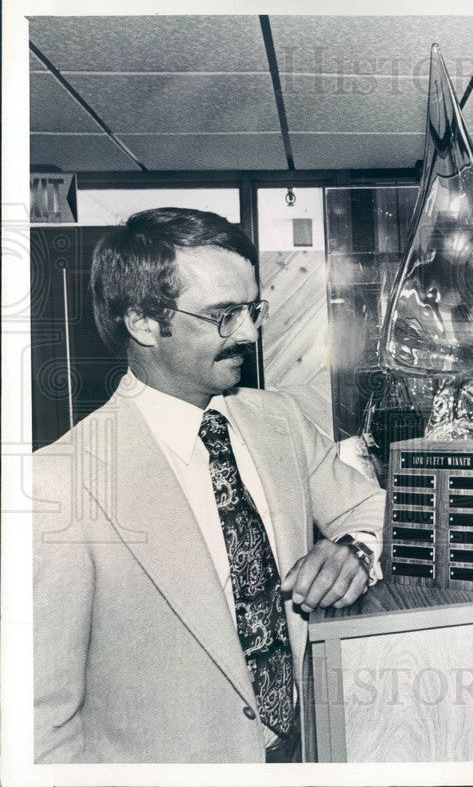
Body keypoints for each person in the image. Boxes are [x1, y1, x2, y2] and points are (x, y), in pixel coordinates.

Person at [33, 208, 385, 763]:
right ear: (144, 322)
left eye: (251, 310)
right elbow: (40, 724)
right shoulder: (60, 483)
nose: (248, 333)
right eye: (223, 315)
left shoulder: (280, 420)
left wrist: (355, 552)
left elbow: (375, 510)